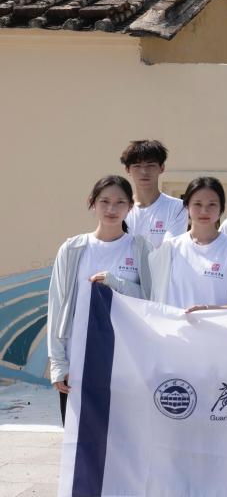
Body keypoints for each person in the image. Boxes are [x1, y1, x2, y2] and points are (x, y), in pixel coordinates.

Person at [47, 175, 150, 423]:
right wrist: (58, 363)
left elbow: (151, 301)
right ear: (92, 203)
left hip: (125, 359)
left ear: (130, 206)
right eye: (104, 201)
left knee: (120, 435)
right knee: (79, 435)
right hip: (79, 358)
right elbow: (57, 306)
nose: (112, 209)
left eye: (120, 202)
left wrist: (117, 283)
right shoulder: (72, 248)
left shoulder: (139, 248)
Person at [145, 177, 227, 309]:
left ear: (221, 208)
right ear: (187, 206)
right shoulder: (170, 249)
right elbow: (151, 296)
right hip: (174, 323)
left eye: (212, 204)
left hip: (216, 323)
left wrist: (210, 309)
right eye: (197, 204)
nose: (204, 211)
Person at [121, 139, 186, 248]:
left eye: (150, 165)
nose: (144, 172)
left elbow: (170, 249)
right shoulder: (120, 209)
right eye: (137, 166)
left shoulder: (177, 207)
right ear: (127, 170)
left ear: (162, 168)